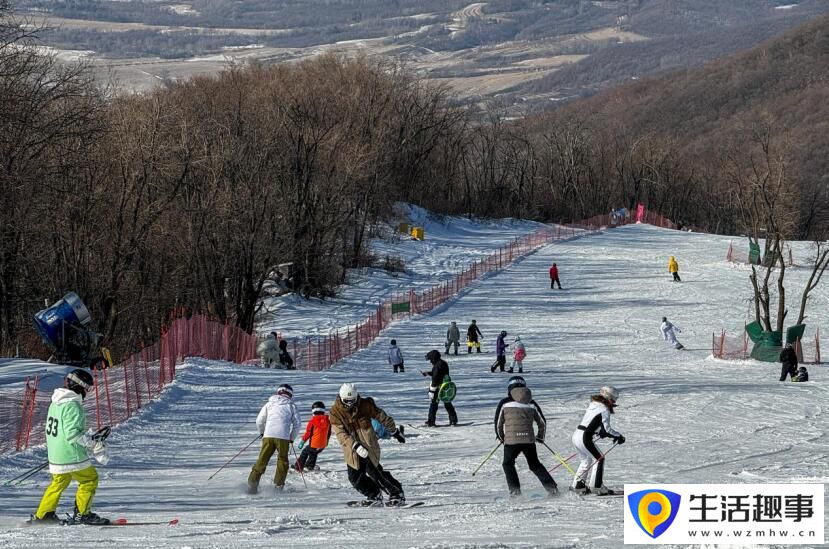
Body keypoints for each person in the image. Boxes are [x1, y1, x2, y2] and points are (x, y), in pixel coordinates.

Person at [31, 369, 111, 525]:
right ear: (79, 387)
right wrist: (92, 443)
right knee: (89, 479)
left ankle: (44, 514)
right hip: (71, 454)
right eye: (87, 388)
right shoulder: (73, 405)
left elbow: (61, 430)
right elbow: (72, 434)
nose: (87, 392)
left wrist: (87, 438)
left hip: (56, 453)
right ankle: (83, 514)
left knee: (59, 482)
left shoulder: (56, 402)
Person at [330, 383, 406, 506]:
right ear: (340, 397)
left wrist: (394, 431)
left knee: (375, 473)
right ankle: (374, 494)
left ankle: (396, 493)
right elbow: (340, 434)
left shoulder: (365, 405)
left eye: (352, 401)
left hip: (368, 444)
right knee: (354, 478)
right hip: (351, 449)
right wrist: (355, 446)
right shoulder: (335, 412)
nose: (350, 404)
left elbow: (382, 417)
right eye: (346, 401)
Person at [495, 378, 558, 497]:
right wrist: (540, 437)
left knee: (508, 464)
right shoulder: (531, 403)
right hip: (528, 440)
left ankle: (515, 491)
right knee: (535, 464)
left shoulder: (504, 403)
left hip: (511, 441)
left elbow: (498, 423)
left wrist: (501, 437)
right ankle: (552, 488)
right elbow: (542, 422)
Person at [571, 386, 624, 496]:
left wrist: (600, 431)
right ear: (608, 397)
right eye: (613, 399)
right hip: (585, 437)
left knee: (586, 461)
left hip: (577, 435)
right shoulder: (604, 409)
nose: (614, 402)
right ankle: (596, 486)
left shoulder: (594, 405)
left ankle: (578, 486)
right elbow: (607, 429)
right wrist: (618, 436)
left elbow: (592, 423)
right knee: (599, 459)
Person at [248, 384, 301, 494]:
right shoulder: (291, 406)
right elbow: (297, 424)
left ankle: (252, 485)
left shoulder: (269, 404)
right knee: (282, 461)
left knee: (262, 460)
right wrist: (291, 438)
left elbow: (259, 420)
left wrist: (262, 432)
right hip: (283, 437)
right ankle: (278, 486)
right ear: (290, 394)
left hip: (268, 436)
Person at [423, 350, 458, 427]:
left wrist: (431, 390)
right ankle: (453, 420)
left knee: (434, 404)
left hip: (438, 387)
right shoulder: (443, 363)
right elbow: (440, 374)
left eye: (430, 360)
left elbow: (435, 378)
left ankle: (431, 421)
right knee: (448, 403)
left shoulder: (436, 366)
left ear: (433, 358)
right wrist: (428, 373)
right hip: (446, 387)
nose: (430, 362)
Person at [294, 401, 331, 472]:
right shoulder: (328, 421)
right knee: (313, 453)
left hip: (314, 444)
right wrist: (326, 442)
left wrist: (302, 442)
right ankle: (309, 465)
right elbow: (328, 433)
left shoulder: (312, 421)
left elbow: (308, 433)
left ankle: (299, 466)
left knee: (305, 452)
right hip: (322, 445)